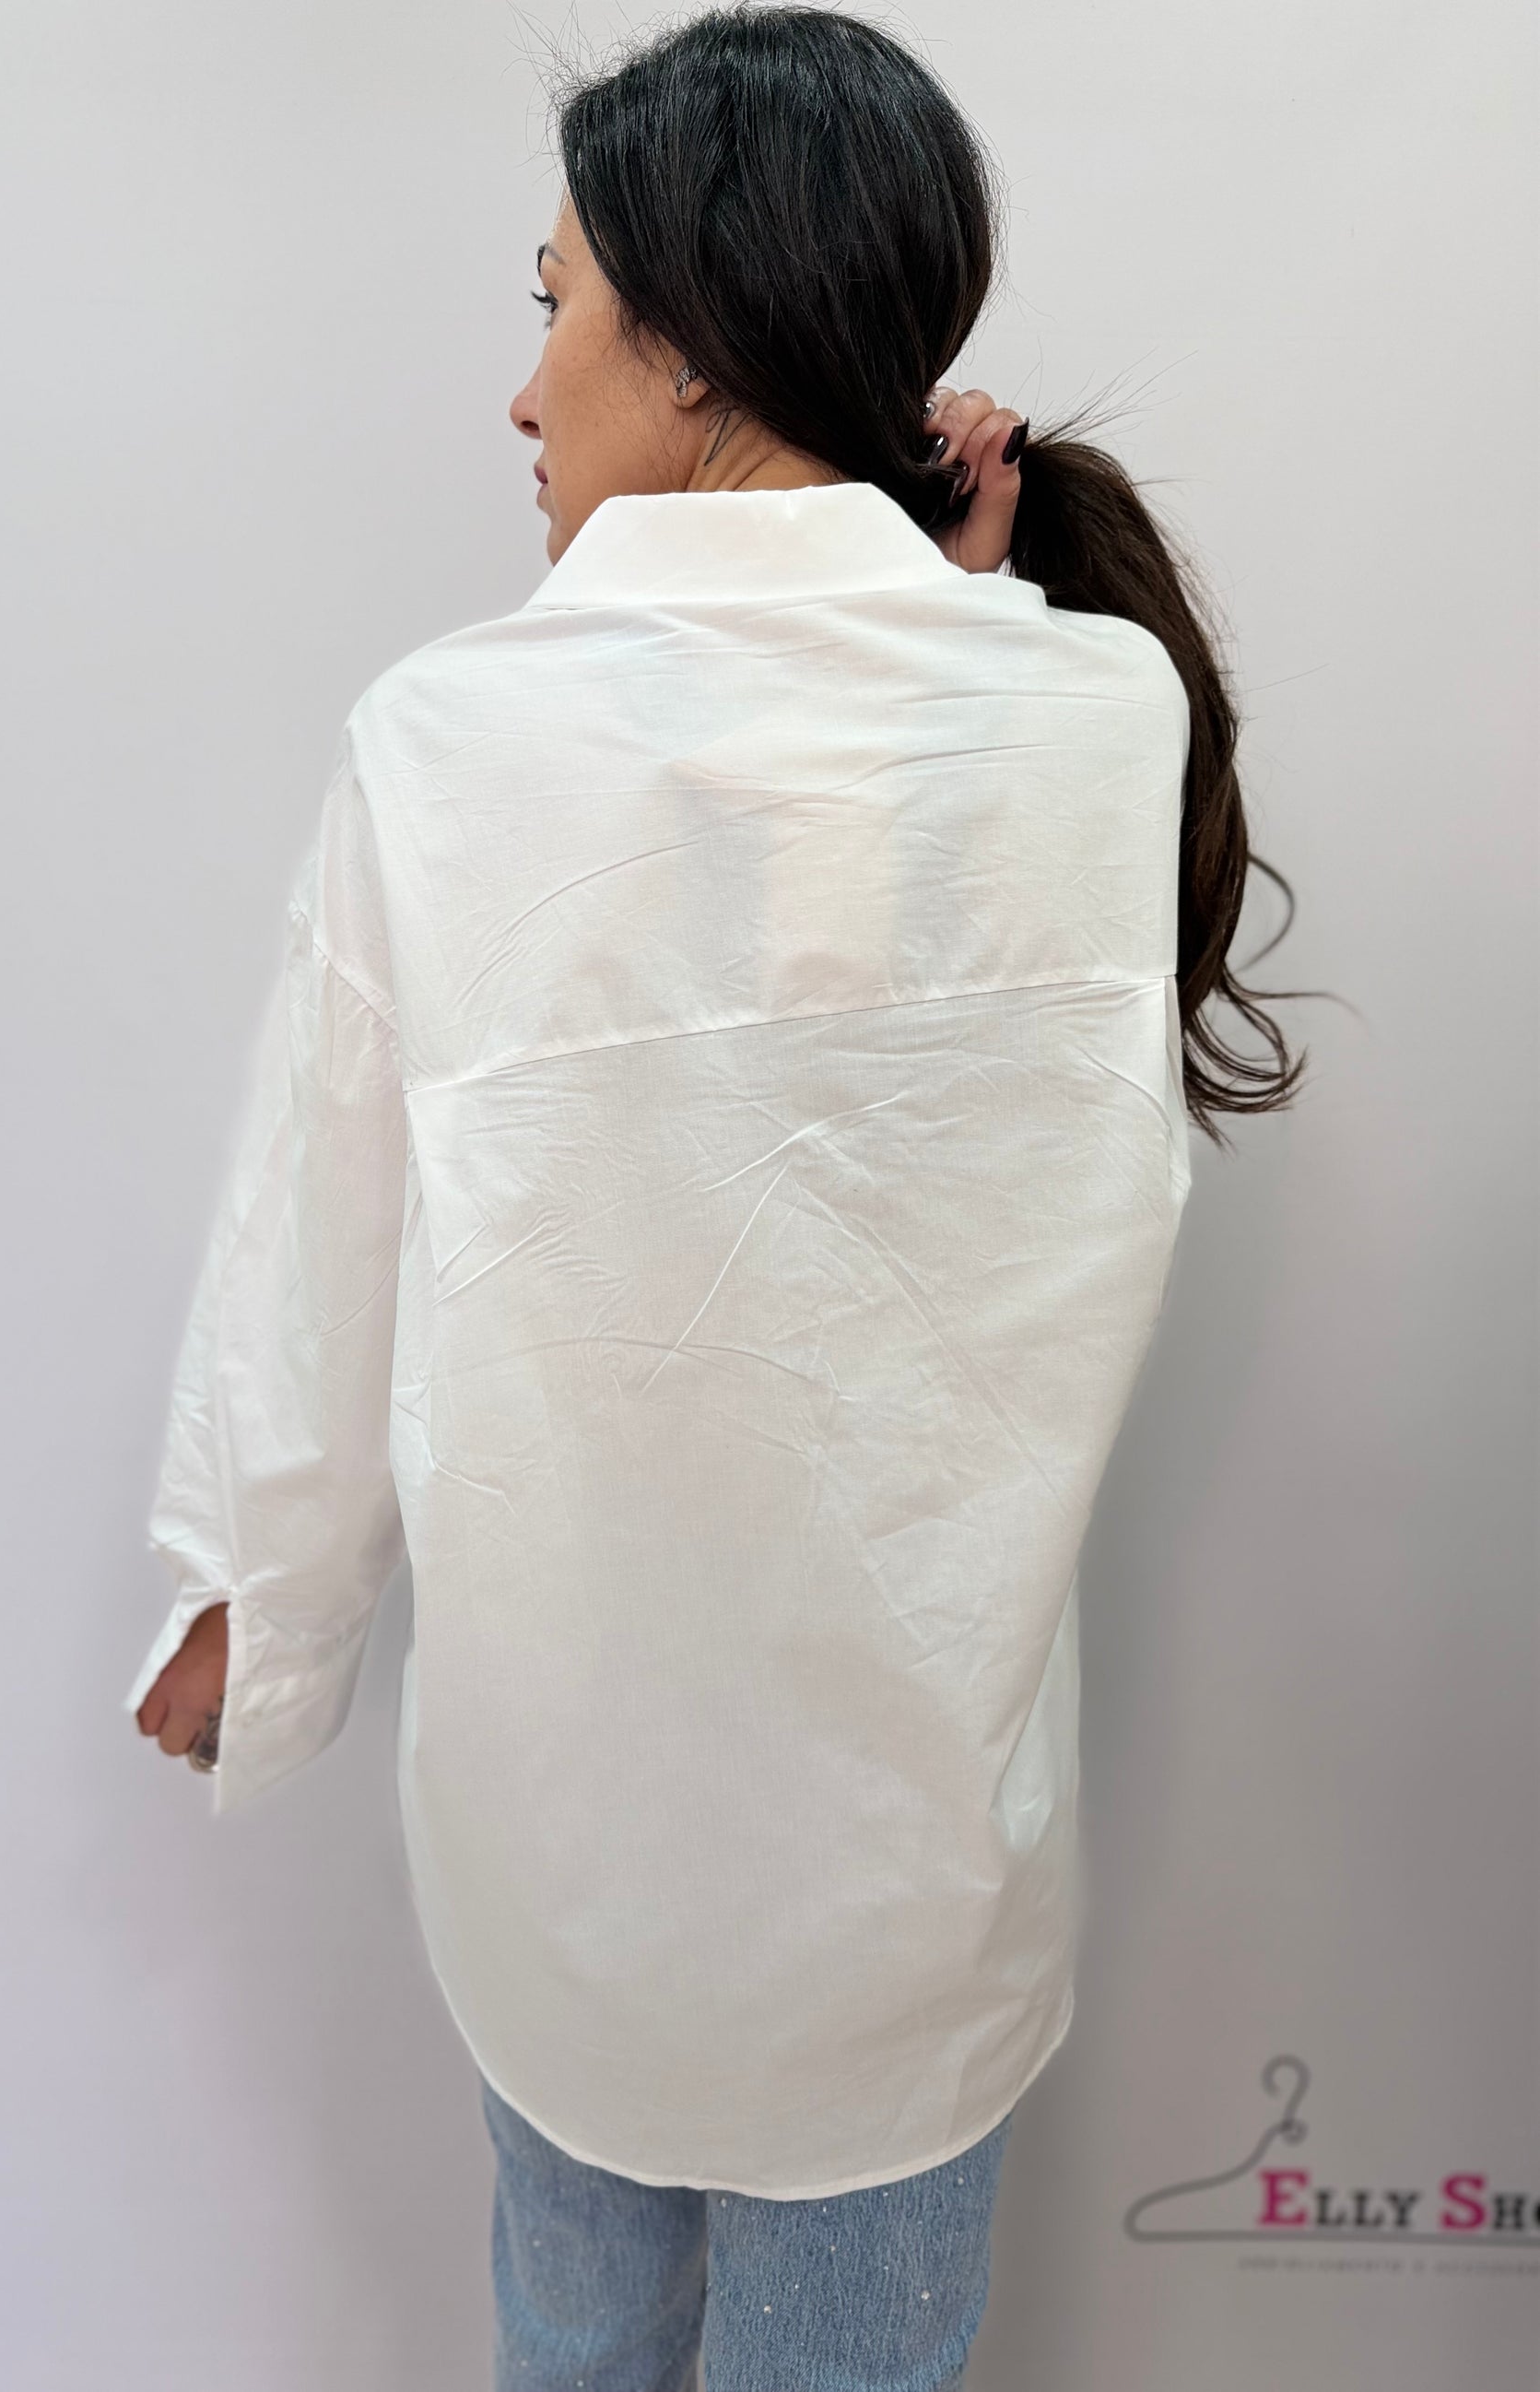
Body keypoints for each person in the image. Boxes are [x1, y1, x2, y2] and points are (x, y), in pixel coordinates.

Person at [126, 8, 1305, 2386]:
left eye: (551, 302)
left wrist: (262, 1594)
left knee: (569, 2340)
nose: (523, 389)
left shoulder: (452, 743)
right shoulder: (1091, 718)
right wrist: (951, 597)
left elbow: (321, 1215)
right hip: (911, 1860)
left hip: (570, 1833)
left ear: (686, 341)